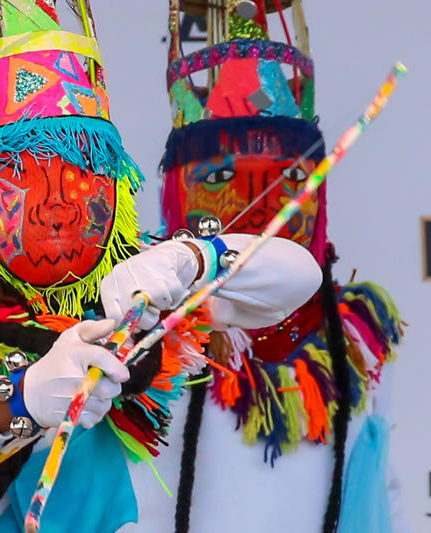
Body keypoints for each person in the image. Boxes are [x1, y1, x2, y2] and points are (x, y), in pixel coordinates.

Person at [0, 2, 322, 532]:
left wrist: (190, 258)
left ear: (118, 179)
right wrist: (20, 397)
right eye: (14, 173)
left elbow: (298, 276)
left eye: (81, 166)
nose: (58, 205)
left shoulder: (156, 287)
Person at [158, 1, 409, 532]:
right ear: (176, 196)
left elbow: (380, 492)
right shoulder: (148, 337)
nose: (260, 206)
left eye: (290, 179)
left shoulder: (356, 344)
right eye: (220, 177)